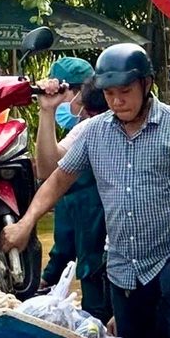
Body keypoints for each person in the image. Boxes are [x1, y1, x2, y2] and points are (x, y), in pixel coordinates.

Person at [1, 43, 170, 338]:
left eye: (125, 92)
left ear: (147, 84)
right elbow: (57, 180)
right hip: (124, 266)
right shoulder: (94, 133)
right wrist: (26, 223)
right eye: (110, 93)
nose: (117, 101)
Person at [37, 63, 110, 319]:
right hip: (99, 265)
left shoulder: (90, 128)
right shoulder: (85, 133)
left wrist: (49, 275)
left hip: (110, 264)